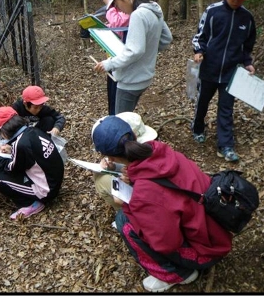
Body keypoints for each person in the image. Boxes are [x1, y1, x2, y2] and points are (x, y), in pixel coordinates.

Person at [92, 116, 232, 292]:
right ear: (134, 135)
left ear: (110, 156)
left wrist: (128, 206)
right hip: (216, 228)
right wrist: (134, 179)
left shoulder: (144, 194)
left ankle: (178, 274)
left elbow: (166, 243)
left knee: (124, 222)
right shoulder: (160, 150)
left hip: (207, 251)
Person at [190, 0, 257, 162]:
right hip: (209, 68)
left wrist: (248, 62)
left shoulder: (247, 18)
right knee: (202, 101)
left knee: (226, 108)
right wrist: (198, 50)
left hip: (231, 72)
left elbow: (248, 44)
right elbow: (200, 35)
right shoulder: (213, 11)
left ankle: (226, 145)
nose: (236, 1)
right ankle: (197, 127)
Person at [92, 0, 173, 113]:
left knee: (121, 123)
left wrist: (109, 64)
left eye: (117, 4)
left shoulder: (138, 15)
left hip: (130, 81)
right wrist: (148, 50)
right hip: (145, 77)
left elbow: (134, 51)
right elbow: (166, 38)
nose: (120, 10)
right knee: (127, 118)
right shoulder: (153, 8)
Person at [0, 106, 65, 220]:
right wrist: (11, 150)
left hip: (47, 190)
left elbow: (11, 168)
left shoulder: (20, 144)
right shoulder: (33, 131)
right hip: (55, 179)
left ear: (4, 130)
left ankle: (30, 204)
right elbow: (31, 154)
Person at [90, 112, 158, 209]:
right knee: (99, 174)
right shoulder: (158, 149)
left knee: (101, 181)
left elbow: (150, 210)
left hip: (148, 210)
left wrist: (126, 205)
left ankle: (121, 217)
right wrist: (116, 167)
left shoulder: (145, 179)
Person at [99, 0, 131, 116]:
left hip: (122, 58)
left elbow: (119, 23)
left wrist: (108, 6)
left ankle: (118, 118)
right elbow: (115, 26)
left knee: (119, 90)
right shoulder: (118, 8)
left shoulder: (127, 8)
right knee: (111, 88)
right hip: (113, 55)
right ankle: (112, 115)